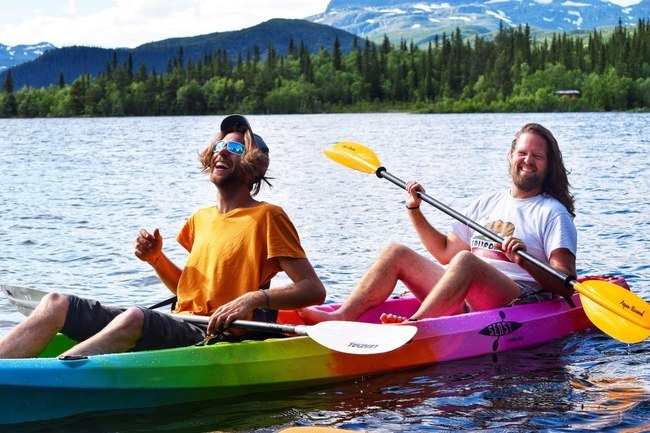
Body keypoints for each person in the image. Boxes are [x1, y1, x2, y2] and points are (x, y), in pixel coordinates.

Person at [0, 114, 325, 358]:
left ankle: (54, 376)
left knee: (135, 317)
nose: (222, 151)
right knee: (55, 303)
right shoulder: (201, 218)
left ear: (255, 166)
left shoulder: (268, 216)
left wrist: (256, 297)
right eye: (220, 145)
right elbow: (188, 289)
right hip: (184, 322)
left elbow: (313, 289)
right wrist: (157, 260)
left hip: (220, 337)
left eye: (236, 147)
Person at [299, 123, 576, 324]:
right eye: (523, 153)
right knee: (396, 252)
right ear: (511, 154)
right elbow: (445, 252)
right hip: (467, 295)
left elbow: (566, 284)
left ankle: (416, 324)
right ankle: (342, 315)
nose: (528, 160)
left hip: (517, 300)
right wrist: (415, 209)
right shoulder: (486, 202)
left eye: (537, 156)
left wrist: (524, 261)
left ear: (548, 165)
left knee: (467, 260)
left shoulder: (553, 212)